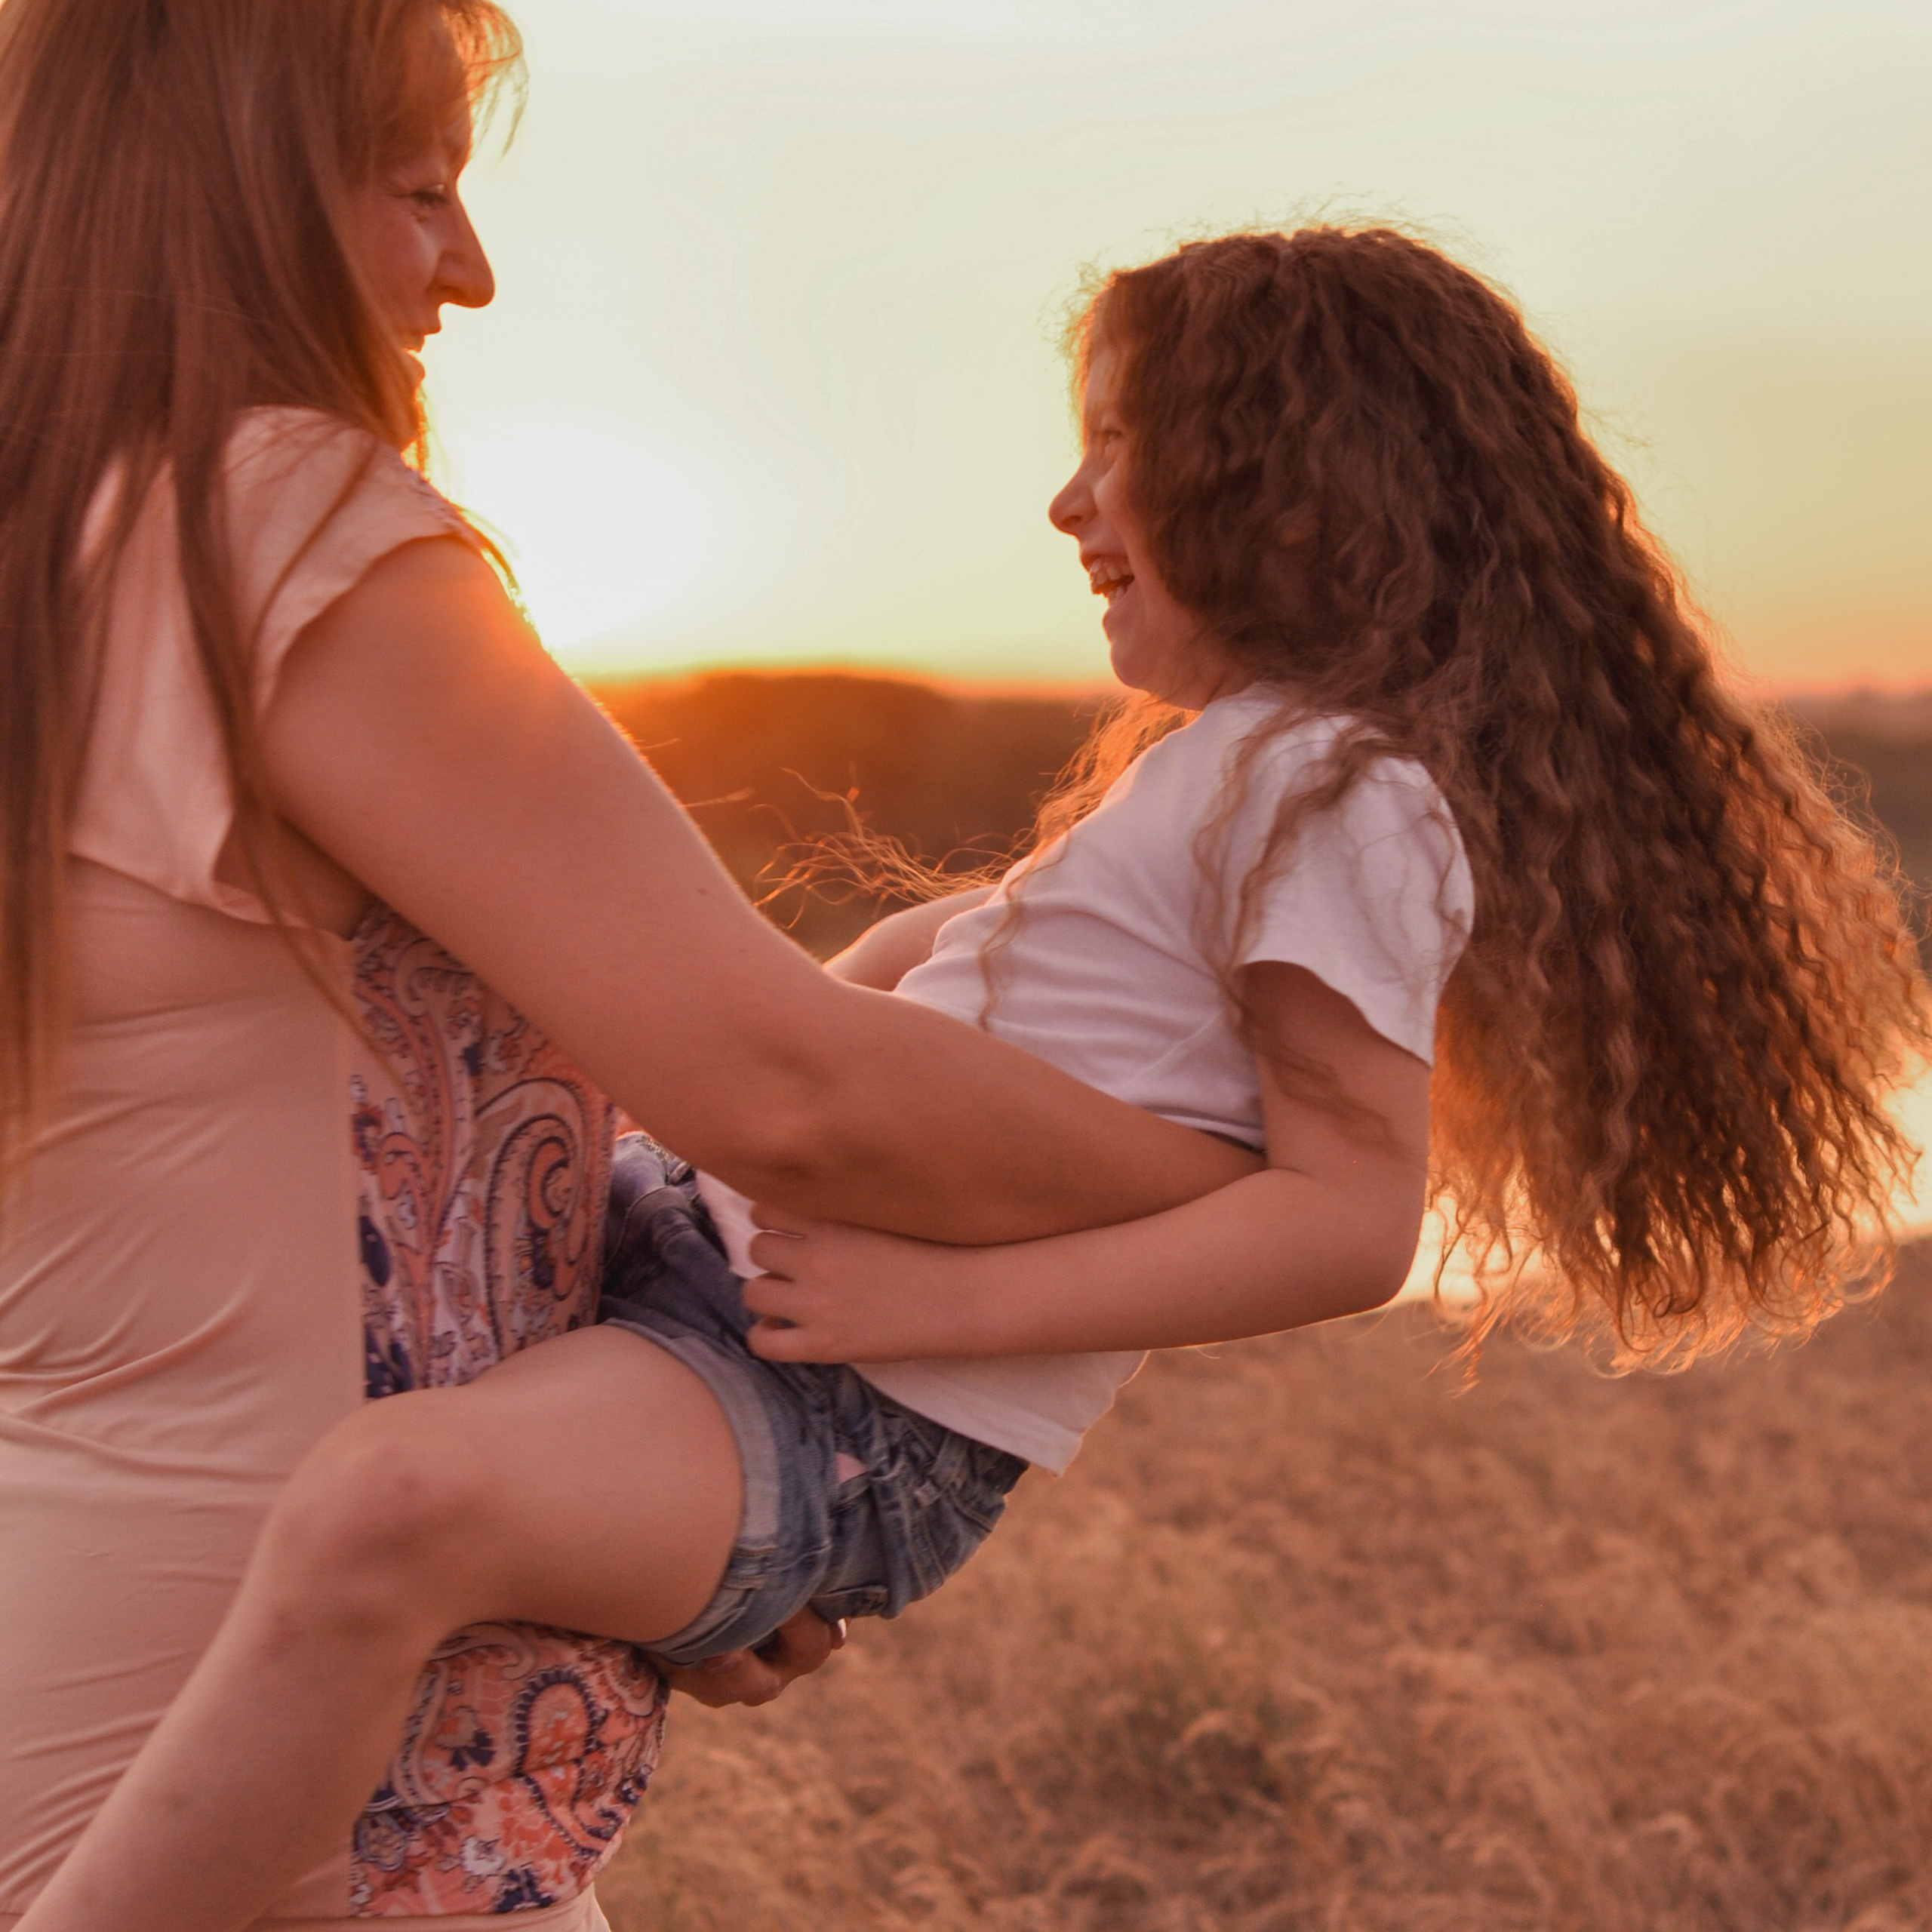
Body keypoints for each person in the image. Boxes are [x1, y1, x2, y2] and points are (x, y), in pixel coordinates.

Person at [23, 197, 1931, 1928]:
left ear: (1293, 486)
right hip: (723, 1287)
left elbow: (1352, 1219)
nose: (1065, 502)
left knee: (387, 1504)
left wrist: (944, 1293)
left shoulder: (1342, 796)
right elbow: (986, 1022)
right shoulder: (1230, 771)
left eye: (1115, 444)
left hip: (847, 1405)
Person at [0, 2, 1266, 1927]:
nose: (470, 271)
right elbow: (787, 1087)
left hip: (160, 1686)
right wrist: (1256, 1190)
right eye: (418, 188)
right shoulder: (271, 521)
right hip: (282, 1802)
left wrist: (648, 1505)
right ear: (240, 183)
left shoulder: (62, 550)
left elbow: (318, 1164)